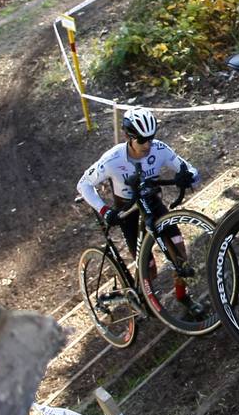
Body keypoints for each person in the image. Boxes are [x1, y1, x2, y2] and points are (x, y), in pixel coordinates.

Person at [77, 107, 207, 320]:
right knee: (150, 270)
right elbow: (83, 185)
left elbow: (190, 170)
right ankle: (141, 294)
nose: (147, 145)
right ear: (129, 137)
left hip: (153, 204)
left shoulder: (159, 149)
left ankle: (183, 298)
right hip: (127, 211)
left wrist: (188, 177)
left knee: (180, 255)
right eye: (141, 140)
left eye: (150, 139)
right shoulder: (112, 159)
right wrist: (104, 210)